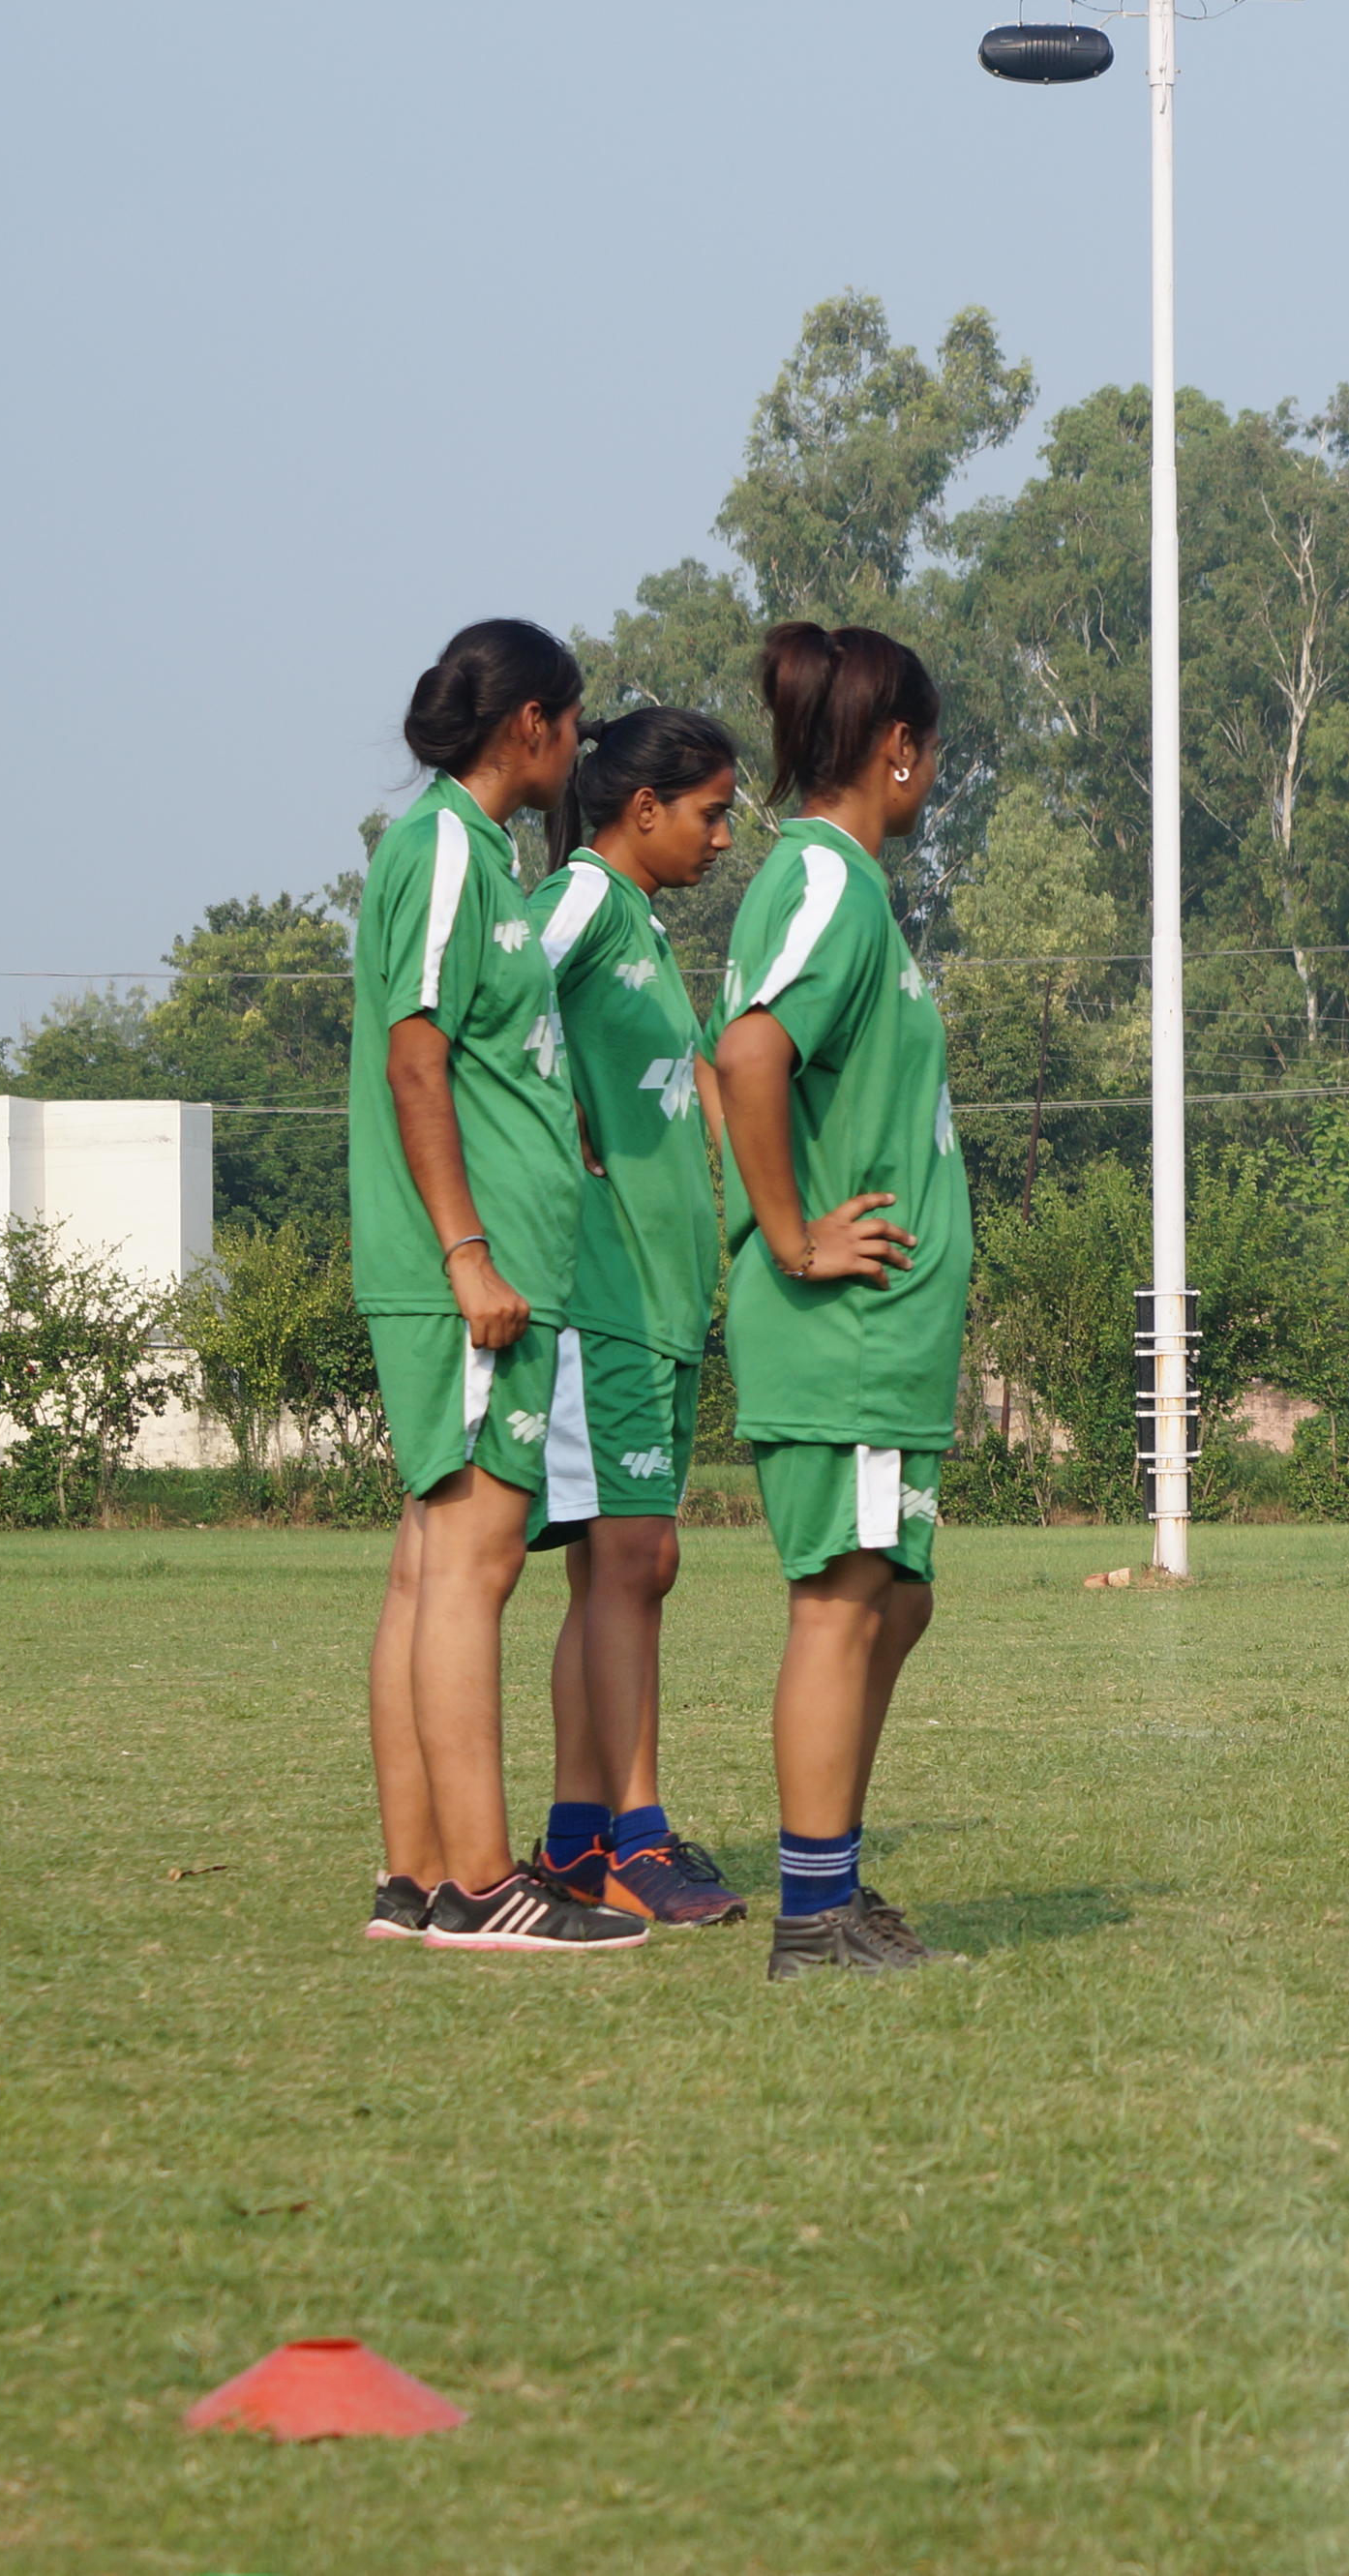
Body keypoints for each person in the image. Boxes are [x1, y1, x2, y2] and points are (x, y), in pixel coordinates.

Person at [349, 619, 645, 1951]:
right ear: (529, 722)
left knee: (430, 1566)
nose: (577, 747)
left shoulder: (478, 858)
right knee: (472, 1569)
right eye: (572, 722)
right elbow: (417, 1060)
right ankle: (479, 1884)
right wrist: (470, 1251)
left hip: (499, 1266)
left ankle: (416, 1880)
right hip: (472, 1276)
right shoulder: (443, 853)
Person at [709, 623, 973, 1982]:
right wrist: (794, 1232)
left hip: (889, 1330)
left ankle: (838, 1884)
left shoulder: (846, 888)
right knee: (839, 1599)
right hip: (845, 1322)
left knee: (894, 1598)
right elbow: (745, 1052)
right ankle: (814, 1918)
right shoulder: (825, 877)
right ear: (898, 751)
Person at [524, 706, 749, 1927]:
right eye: (711, 812)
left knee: (627, 1566)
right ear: (642, 808)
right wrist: (554, 1133)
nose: (723, 836)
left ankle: (577, 1838)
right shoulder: (580, 901)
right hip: (597, 1295)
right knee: (632, 1558)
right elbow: (484, 1000)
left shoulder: (645, 930)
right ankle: (634, 1839)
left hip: (662, 1297)